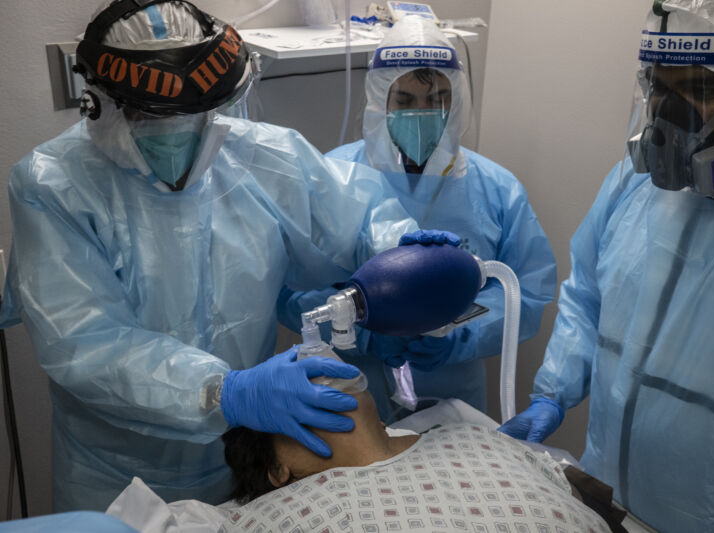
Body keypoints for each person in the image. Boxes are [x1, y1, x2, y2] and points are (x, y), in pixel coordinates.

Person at [0, 0, 441, 512]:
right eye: (148, 115)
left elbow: (358, 220)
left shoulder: (266, 157)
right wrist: (223, 392)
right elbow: (85, 342)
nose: (176, 130)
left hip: (240, 458)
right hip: (114, 473)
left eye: (194, 114)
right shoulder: (54, 184)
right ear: (97, 102)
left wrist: (409, 257)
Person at [500, 1, 714, 531]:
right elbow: (587, 295)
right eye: (659, 86)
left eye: (702, 90)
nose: (668, 116)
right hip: (605, 504)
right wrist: (553, 392)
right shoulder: (631, 187)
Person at [278, 15, 557, 420]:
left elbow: (524, 293)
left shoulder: (496, 189)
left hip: (455, 396)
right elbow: (290, 290)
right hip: (352, 387)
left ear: (456, 101)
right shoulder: (333, 178)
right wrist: (364, 331)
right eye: (405, 101)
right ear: (380, 101)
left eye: (437, 99)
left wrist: (461, 336)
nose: (422, 113)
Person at [217, 389, 616, 533]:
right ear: (277, 471)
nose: (318, 380)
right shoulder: (270, 518)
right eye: (293, 401)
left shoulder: (468, 436)